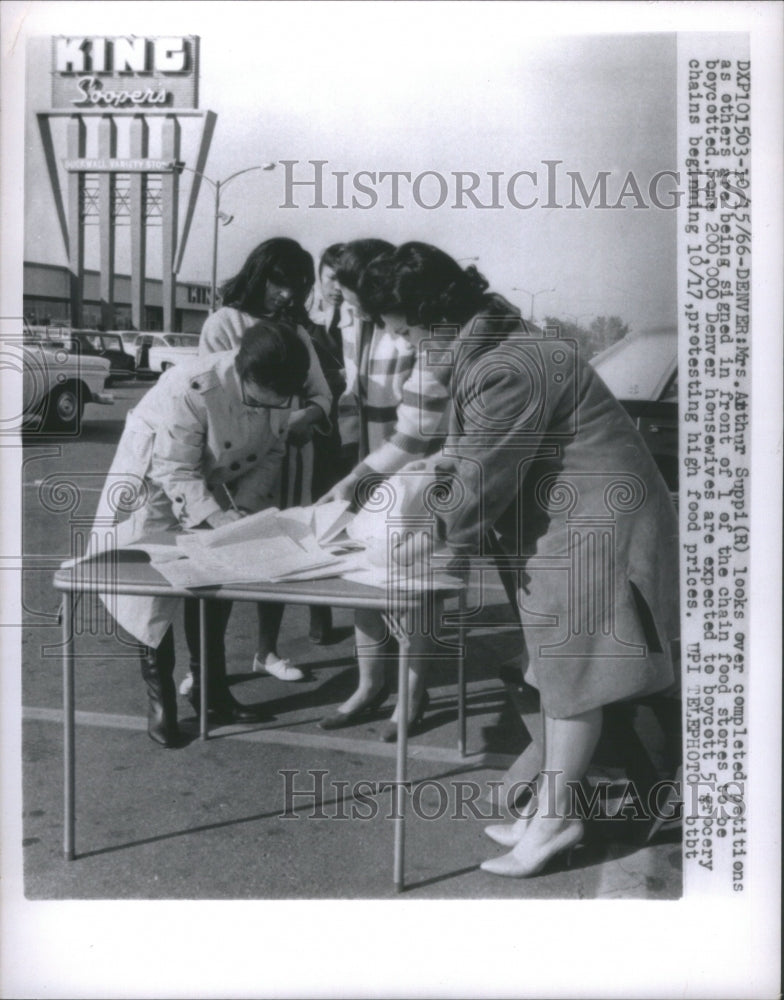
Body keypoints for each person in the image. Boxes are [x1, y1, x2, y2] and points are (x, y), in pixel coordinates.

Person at [357, 242, 680, 876]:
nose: (414, 351)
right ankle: (550, 810)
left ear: (435, 318)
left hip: (596, 528)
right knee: (560, 675)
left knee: (577, 678)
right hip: (576, 520)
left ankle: (556, 819)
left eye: (413, 338)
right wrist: (429, 481)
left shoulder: (510, 363)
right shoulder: (498, 345)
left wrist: (414, 539)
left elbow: (481, 475)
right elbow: (471, 449)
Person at [91, 319, 312, 747]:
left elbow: (273, 451)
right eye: (260, 401)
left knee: (214, 580)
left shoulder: (278, 384)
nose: (273, 409)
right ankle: (161, 702)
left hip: (211, 480)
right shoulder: (188, 386)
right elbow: (174, 470)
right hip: (152, 484)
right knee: (152, 596)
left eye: (279, 403)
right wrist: (215, 516)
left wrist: (242, 512)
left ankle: (213, 694)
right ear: (244, 375)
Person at [317, 239, 453, 737]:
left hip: (415, 463)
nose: (347, 308)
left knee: (413, 584)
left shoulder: (417, 331)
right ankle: (369, 685)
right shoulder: (355, 322)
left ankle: (410, 696)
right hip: (370, 454)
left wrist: (364, 475)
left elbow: (415, 430)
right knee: (360, 573)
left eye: (352, 298)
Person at [197, 237, 333, 681]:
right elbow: (215, 393)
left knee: (278, 553)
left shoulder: (297, 330)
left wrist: (306, 416)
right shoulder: (224, 322)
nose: (288, 294)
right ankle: (207, 667)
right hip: (235, 462)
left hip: (291, 459)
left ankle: (266, 651)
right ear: (258, 274)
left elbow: (323, 395)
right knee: (222, 556)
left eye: (297, 285)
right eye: (280, 281)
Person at [305, 243, 359, 642]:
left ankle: (365, 614)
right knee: (314, 522)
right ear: (318, 276)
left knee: (355, 522)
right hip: (315, 434)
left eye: (343, 281)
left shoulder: (360, 319)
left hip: (354, 434)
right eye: (329, 279)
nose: (336, 288)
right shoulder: (304, 320)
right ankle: (317, 612)